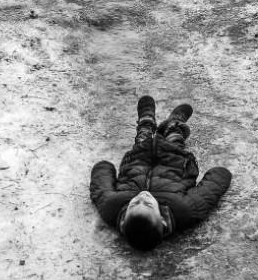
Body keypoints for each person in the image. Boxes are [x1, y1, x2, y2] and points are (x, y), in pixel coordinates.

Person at [90, 96, 232, 250]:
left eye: (135, 203)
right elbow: (220, 176)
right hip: (174, 161)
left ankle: (146, 121)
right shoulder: (186, 210)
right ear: (163, 221)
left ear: (123, 221)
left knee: (143, 139)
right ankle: (174, 124)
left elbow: (102, 170)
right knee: (175, 140)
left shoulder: (110, 206)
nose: (142, 196)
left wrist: (104, 168)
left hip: (139, 159)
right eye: (149, 204)